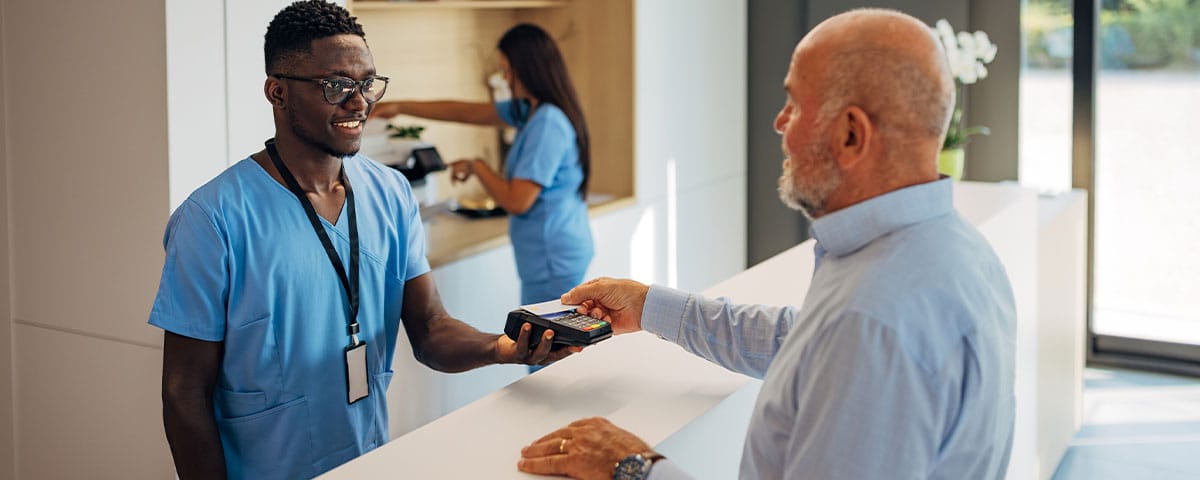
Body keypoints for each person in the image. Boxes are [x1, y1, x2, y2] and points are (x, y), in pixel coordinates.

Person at [517, 9, 1017, 480]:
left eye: (795, 104)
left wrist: (634, 466)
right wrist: (648, 306)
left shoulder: (871, 321)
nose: (779, 122)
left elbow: (846, 342)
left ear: (850, 135)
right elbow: (805, 343)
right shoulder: (950, 249)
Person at [151, 2, 571, 479]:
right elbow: (183, 392)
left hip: (367, 459)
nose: (359, 102)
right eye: (336, 86)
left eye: (366, 83)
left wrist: (503, 347)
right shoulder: (213, 219)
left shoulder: (390, 194)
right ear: (278, 93)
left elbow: (431, 331)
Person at [371, 23, 594, 310]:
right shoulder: (530, 111)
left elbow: (517, 200)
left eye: (507, 69)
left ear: (528, 68)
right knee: (548, 343)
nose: (505, 77)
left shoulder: (547, 122)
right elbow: (466, 111)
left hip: (553, 258)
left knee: (548, 346)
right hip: (552, 253)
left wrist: (478, 166)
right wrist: (401, 106)